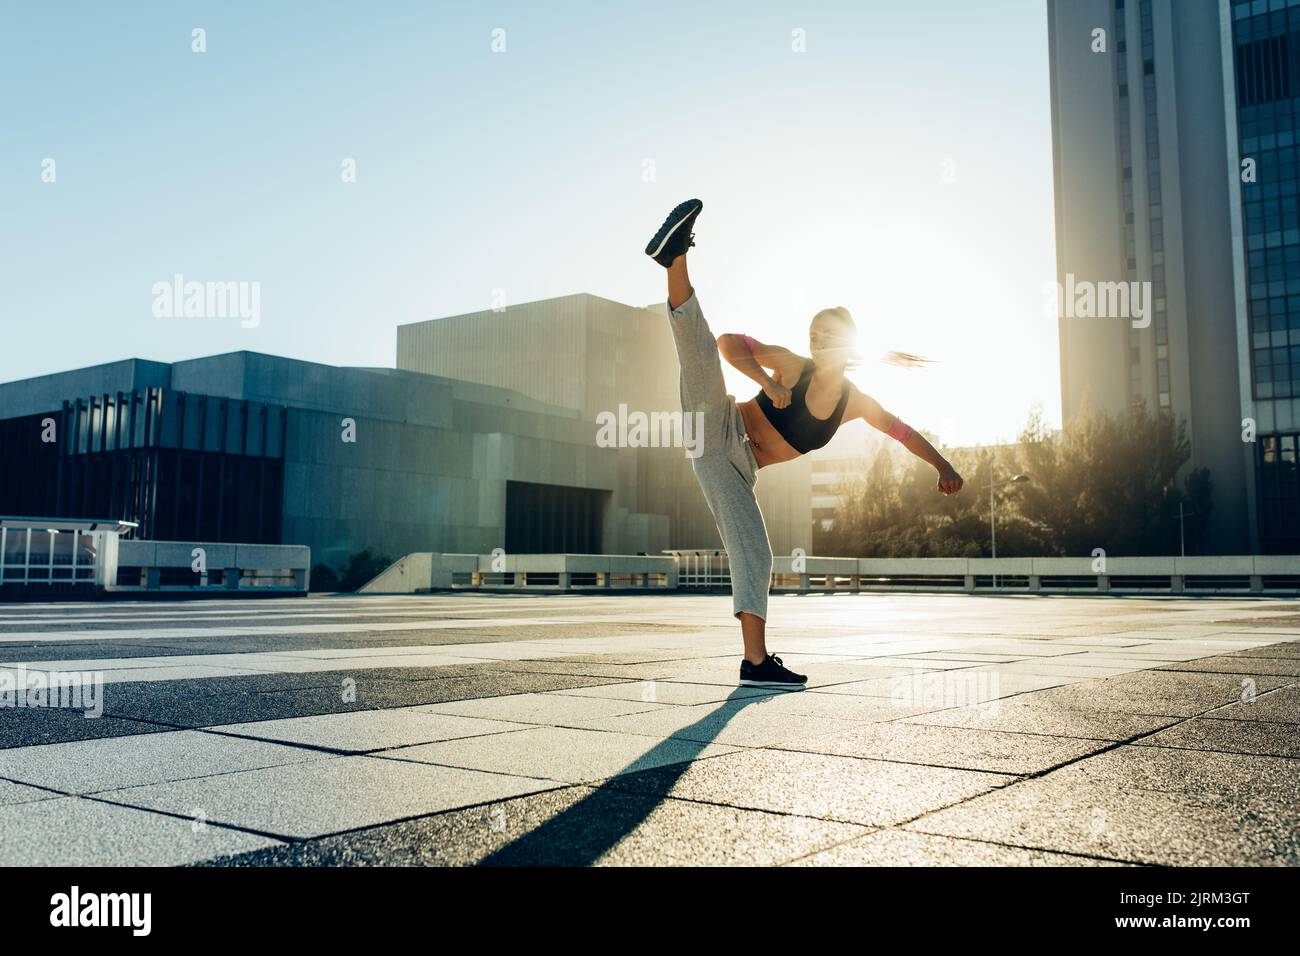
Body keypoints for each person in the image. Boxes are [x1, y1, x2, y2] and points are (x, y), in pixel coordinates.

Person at [645, 199, 965, 688]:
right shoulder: (794, 366)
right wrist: (764, 380)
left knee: (756, 553)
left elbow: (900, 430)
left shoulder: (853, 402)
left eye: (826, 334)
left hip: (734, 468)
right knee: (700, 356)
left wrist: (941, 465)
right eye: (813, 332)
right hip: (720, 424)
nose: (816, 339)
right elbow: (730, 342)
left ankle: (755, 663)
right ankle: (675, 257)